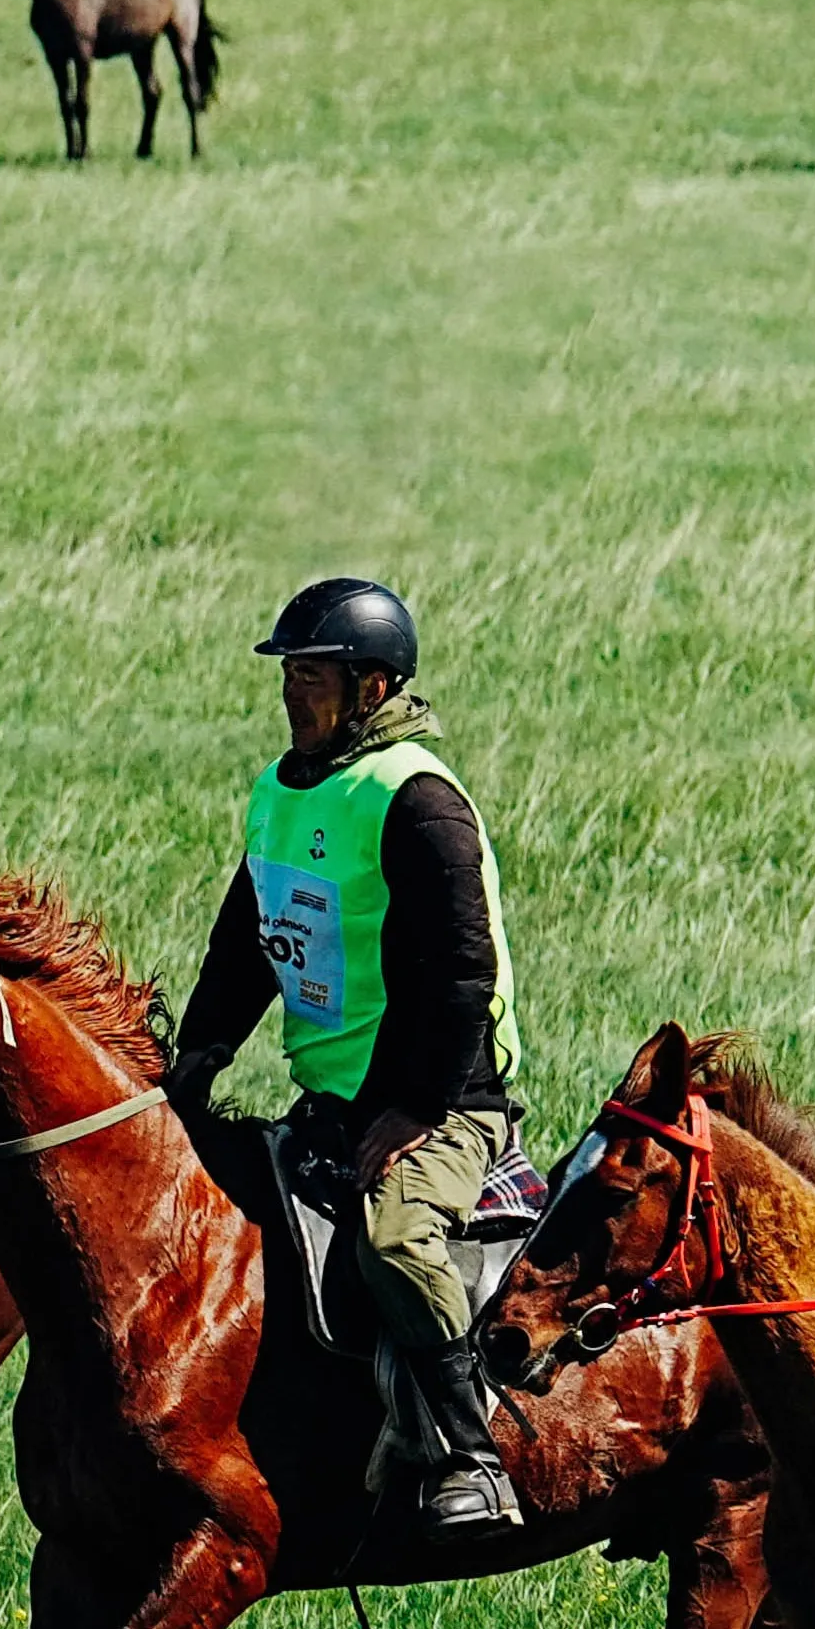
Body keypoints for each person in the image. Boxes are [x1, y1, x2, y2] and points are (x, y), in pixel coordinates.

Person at [166, 576, 528, 1536]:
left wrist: (414, 1111)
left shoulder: (417, 801)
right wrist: (197, 1053)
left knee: (396, 1240)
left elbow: (461, 975)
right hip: (332, 1099)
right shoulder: (280, 793)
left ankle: (467, 1451)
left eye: (313, 675)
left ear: (371, 688)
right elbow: (246, 939)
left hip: (444, 1104)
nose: (293, 694)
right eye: (289, 674)